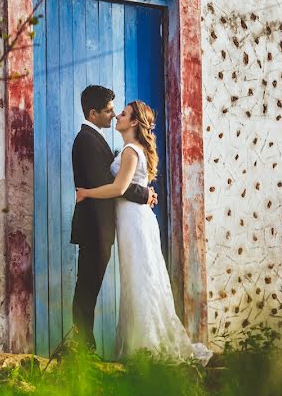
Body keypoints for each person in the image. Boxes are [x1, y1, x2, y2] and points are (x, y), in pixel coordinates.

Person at [76, 100, 212, 365]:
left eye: (124, 114)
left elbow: (118, 188)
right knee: (139, 279)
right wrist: (146, 193)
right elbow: (130, 186)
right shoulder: (131, 149)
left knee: (141, 279)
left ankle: (146, 347)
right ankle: (141, 345)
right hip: (132, 220)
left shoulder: (129, 151)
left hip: (134, 222)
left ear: (135, 122)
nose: (118, 115)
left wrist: (87, 193)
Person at [70, 85, 157, 353]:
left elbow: (115, 181)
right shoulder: (86, 140)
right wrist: (143, 193)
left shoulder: (98, 139)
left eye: (116, 111)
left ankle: (85, 345)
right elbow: (109, 183)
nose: (113, 115)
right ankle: (84, 348)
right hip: (94, 227)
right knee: (87, 287)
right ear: (93, 113)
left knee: (89, 286)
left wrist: (142, 192)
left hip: (103, 226)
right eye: (108, 111)